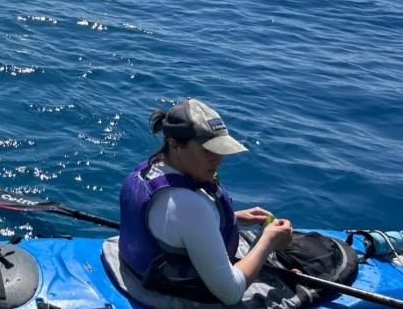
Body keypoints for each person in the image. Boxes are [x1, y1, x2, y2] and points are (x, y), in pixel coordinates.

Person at [118, 98, 293, 305]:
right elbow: (230, 293)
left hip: (135, 270)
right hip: (176, 291)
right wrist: (269, 241)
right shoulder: (190, 206)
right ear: (174, 144)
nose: (217, 159)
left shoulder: (148, 171)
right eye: (207, 150)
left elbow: (171, 223)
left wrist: (233, 218)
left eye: (220, 149)